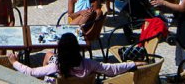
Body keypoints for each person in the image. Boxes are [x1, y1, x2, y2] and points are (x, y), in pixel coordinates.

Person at [8, 32, 142, 79]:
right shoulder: (88, 64)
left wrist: (14, 62)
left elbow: (30, 72)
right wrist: (132, 64)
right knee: (49, 55)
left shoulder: (57, 68)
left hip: (58, 76)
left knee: (48, 57)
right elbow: (112, 69)